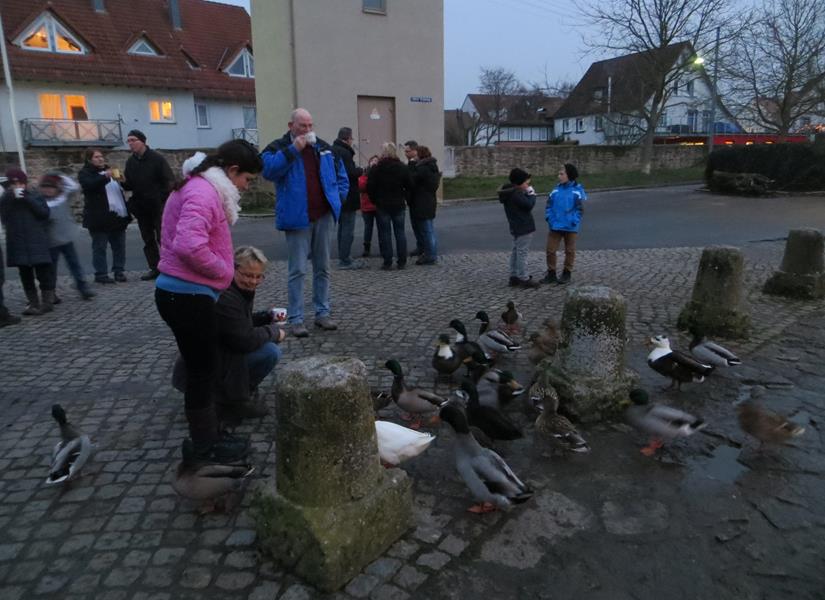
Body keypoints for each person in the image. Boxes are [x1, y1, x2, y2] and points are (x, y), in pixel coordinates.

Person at [154, 139, 262, 464]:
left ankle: (210, 434)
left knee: (204, 367)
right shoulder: (203, 193)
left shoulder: (201, 188)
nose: (246, 187)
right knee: (202, 371)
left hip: (186, 293)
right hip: (186, 294)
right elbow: (189, 245)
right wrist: (224, 272)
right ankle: (205, 445)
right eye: (246, 179)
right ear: (232, 170)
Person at [172, 245, 287, 423]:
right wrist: (274, 331)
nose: (253, 281)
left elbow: (237, 324)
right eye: (248, 275)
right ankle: (230, 401)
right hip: (202, 368)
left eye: (258, 276)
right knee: (271, 351)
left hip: (217, 355)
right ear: (234, 269)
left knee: (265, 344)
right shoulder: (226, 296)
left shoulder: (237, 289)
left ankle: (236, 392)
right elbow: (244, 339)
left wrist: (266, 317)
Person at [261, 107, 348, 338]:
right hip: (297, 218)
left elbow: (342, 176)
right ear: (291, 126)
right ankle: (296, 318)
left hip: (323, 216)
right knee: (297, 270)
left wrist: (337, 198)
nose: (307, 129)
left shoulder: (324, 148)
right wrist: (293, 150)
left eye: (310, 125)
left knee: (323, 268)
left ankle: (322, 313)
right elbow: (268, 170)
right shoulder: (279, 147)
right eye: (302, 126)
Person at [0, 167, 55, 315]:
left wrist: (27, 199)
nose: (17, 186)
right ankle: (33, 303)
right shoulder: (6, 198)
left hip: (36, 240)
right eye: (13, 183)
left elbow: (44, 213)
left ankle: (47, 302)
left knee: (44, 273)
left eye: (20, 183)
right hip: (18, 242)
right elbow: (3, 216)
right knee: (25, 275)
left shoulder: (35, 195)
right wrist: (10, 197)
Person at [123, 129, 175, 281]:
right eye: (129, 141)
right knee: (148, 240)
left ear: (143, 141)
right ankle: (155, 268)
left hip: (158, 206)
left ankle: (170, 267)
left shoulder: (157, 159)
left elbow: (169, 181)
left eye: (133, 140)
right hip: (141, 207)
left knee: (163, 239)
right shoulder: (131, 162)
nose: (130, 144)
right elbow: (130, 185)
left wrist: (161, 198)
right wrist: (121, 181)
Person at [39, 173, 95, 301]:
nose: (48, 190)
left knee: (74, 264)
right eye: (45, 187)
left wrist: (58, 176)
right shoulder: (40, 202)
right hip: (50, 242)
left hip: (66, 239)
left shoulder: (62, 198)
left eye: (51, 187)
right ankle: (51, 293)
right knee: (51, 269)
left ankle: (83, 288)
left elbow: (74, 187)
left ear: (56, 188)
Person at [78, 149, 131, 284]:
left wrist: (122, 180)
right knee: (100, 247)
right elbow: (90, 185)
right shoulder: (85, 173)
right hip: (98, 217)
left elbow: (125, 187)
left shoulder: (109, 170)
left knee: (119, 246)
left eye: (101, 156)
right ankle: (101, 274)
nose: (100, 159)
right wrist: (106, 176)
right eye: (96, 157)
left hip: (117, 215)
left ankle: (119, 271)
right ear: (89, 159)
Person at [367, 142, 412, 271]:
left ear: (383, 153)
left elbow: (370, 186)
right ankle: (402, 261)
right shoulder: (402, 167)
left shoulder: (377, 168)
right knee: (400, 232)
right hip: (398, 203)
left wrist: (374, 200)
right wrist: (405, 197)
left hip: (382, 204)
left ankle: (387, 261)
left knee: (385, 234)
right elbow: (410, 185)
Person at [543, 163, 586, 285]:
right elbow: (548, 206)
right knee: (550, 250)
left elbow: (580, 210)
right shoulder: (555, 190)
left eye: (562, 174)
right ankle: (551, 273)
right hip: (555, 226)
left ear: (569, 175)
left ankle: (567, 273)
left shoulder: (577, 191)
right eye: (559, 174)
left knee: (570, 251)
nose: (559, 176)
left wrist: (573, 221)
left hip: (570, 227)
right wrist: (550, 219)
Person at [498, 168, 540, 288]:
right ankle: (523, 278)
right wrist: (531, 194)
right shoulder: (516, 194)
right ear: (520, 182)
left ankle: (514, 276)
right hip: (523, 226)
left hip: (516, 226)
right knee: (522, 252)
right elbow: (528, 205)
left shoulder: (509, 192)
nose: (527, 184)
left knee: (516, 251)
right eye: (526, 182)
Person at [332, 127, 365, 269]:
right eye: (352, 138)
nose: (352, 141)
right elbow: (350, 173)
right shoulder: (345, 152)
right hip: (348, 195)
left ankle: (344, 256)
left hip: (338, 194)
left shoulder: (334, 149)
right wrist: (361, 170)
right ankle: (345, 259)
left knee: (342, 228)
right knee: (347, 229)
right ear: (348, 138)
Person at [408, 145, 440, 265]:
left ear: (420, 155)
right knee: (427, 229)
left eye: (416, 154)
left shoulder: (422, 168)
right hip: (428, 201)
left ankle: (430, 255)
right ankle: (427, 251)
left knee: (427, 230)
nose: (414, 156)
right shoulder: (431, 166)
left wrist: (411, 165)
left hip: (422, 202)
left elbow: (412, 179)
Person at [359, 155, 379, 257]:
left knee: (382, 228)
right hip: (367, 205)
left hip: (378, 205)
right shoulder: (365, 174)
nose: (374, 162)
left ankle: (384, 247)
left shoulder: (381, 174)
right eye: (373, 160)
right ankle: (366, 248)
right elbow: (361, 187)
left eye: (376, 161)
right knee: (368, 228)